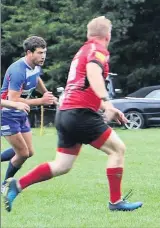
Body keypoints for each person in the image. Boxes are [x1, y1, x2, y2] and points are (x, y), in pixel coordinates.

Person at [2, 16, 143, 212]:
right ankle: (115, 202)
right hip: (80, 114)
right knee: (117, 150)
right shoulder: (98, 50)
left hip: (66, 113)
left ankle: (17, 185)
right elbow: (93, 73)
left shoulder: (82, 51)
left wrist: (107, 108)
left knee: (62, 165)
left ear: (88, 34)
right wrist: (106, 102)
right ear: (108, 35)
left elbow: (82, 87)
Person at [0, 36, 57, 179]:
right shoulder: (18, 70)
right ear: (29, 53)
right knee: (23, 153)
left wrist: (46, 93)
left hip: (20, 112)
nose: (43, 56)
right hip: (6, 113)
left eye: (44, 52)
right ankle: (6, 185)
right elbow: (14, 100)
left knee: (29, 152)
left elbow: (36, 78)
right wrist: (41, 100)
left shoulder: (35, 66)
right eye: (40, 53)